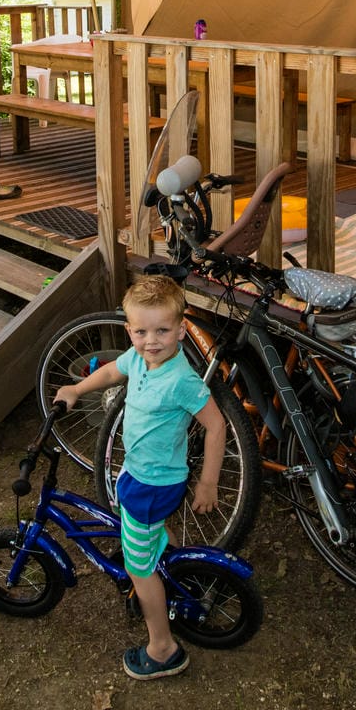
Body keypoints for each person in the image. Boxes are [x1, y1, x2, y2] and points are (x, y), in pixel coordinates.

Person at [53, 275, 225, 681]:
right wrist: (78, 388)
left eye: (163, 330)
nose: (152, 340)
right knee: (147, 538)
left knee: (138, 567)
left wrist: (208, 483)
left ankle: (163, 648)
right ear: (129, 330)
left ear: (181, 330)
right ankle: (172, 566)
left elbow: (216, 427)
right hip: (138, 472)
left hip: (154, 484)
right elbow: (114, 370)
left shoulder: (180, 380)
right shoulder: (141, 358)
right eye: (142, 331)